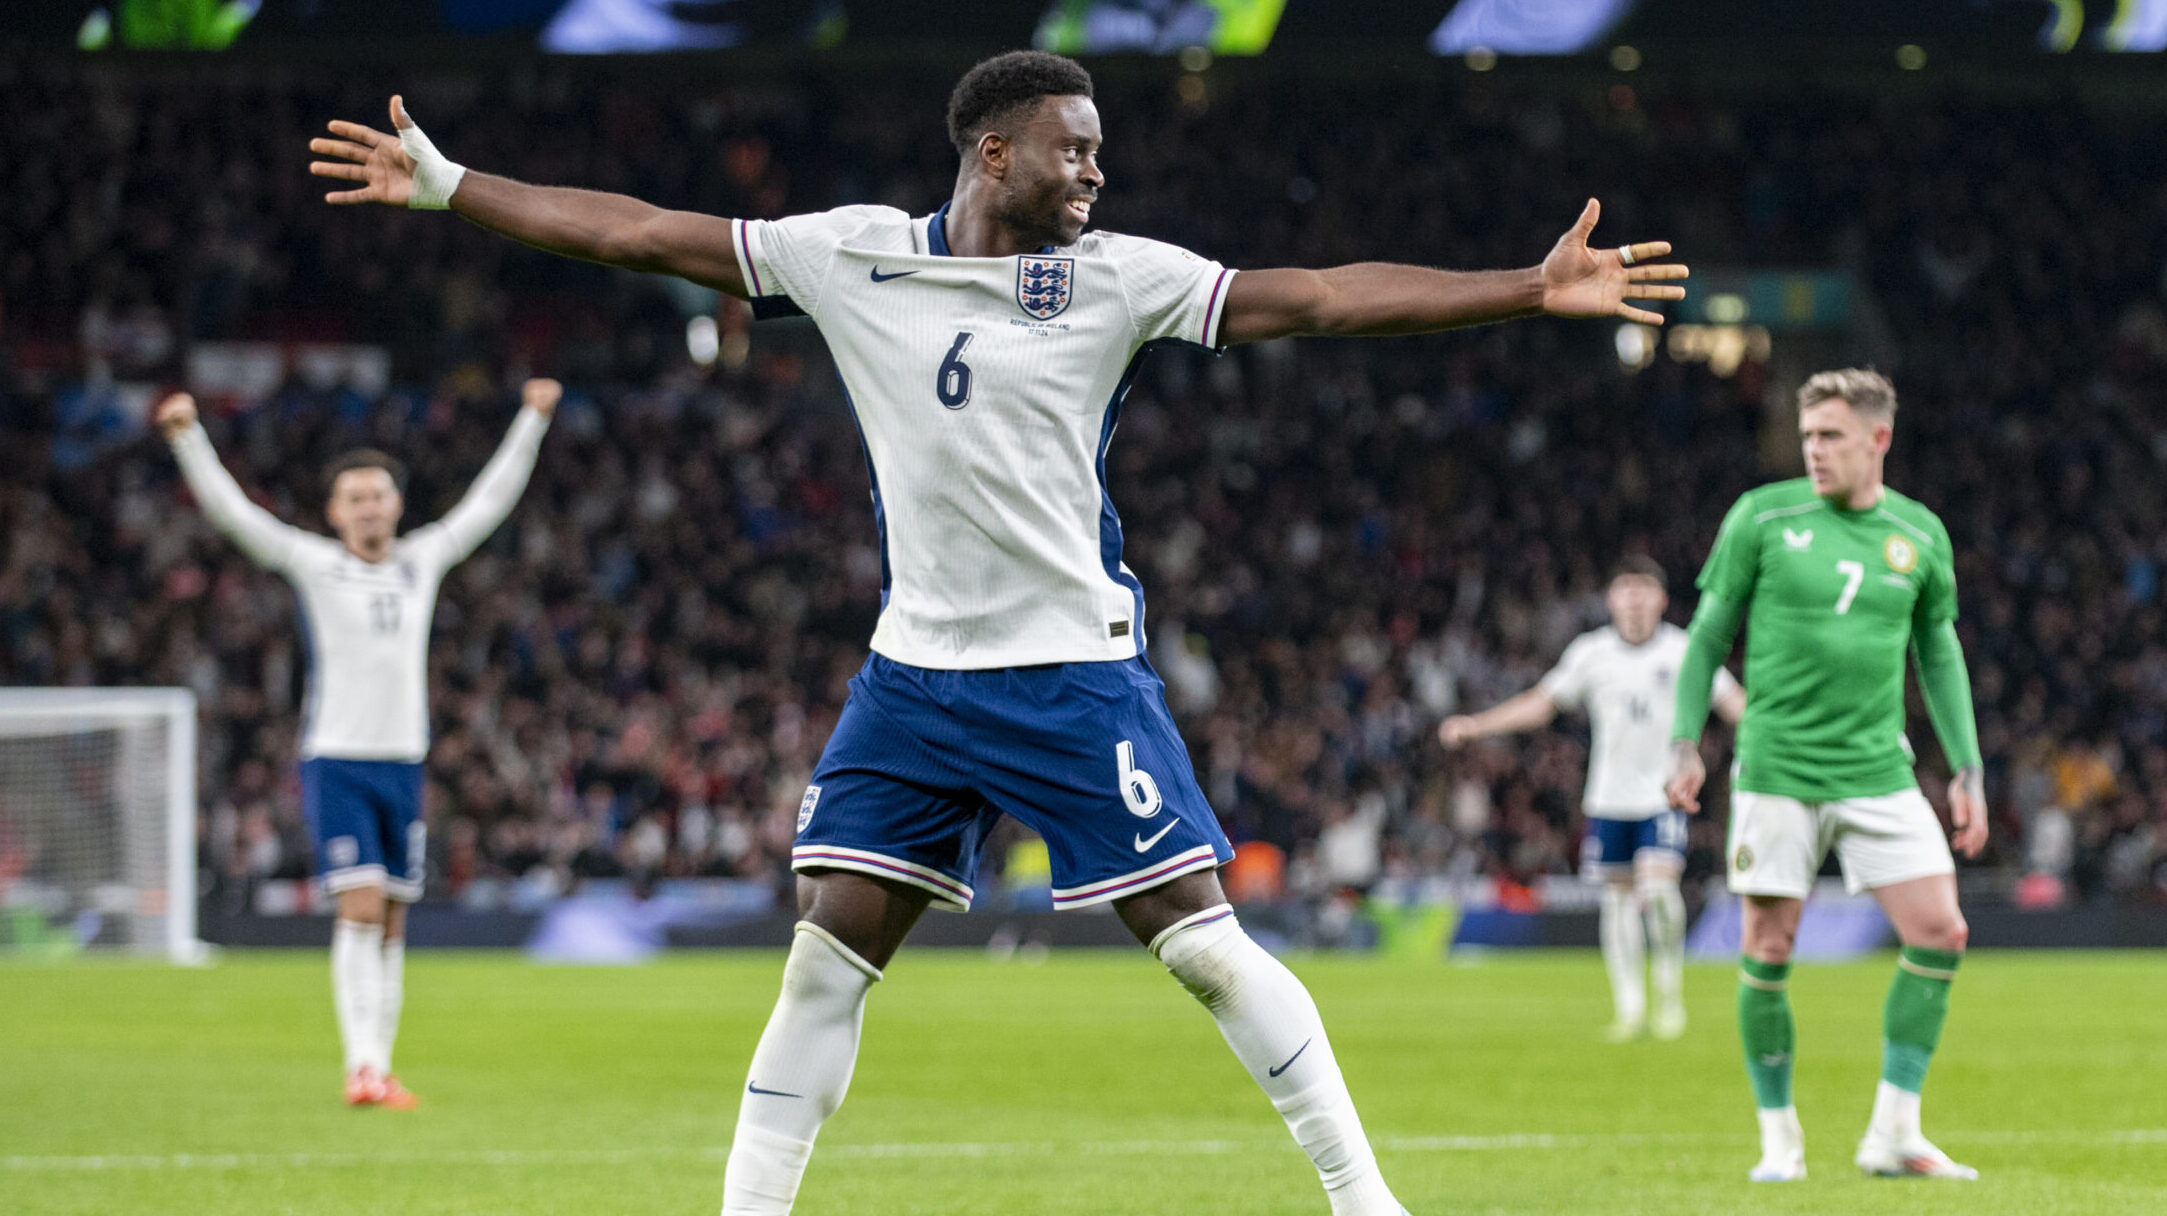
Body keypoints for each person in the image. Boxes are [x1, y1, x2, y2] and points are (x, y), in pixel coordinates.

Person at [306, 50, 1686, 1214]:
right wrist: (447, 184)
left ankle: (1363, 1203)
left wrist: (1518, 285)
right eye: (1071, 152)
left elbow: (1317, 297)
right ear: (992, 150)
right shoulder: (847, 257)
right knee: (821, 956)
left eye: (1096, 154)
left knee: (1203, 948)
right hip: (913, 684)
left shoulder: (1118, 280)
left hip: (1074, 679)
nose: (1093, 173)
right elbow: (638, 232)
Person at [155, 381, 558, 1107]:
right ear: (334, 512)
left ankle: (380, 1064)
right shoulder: (315, 563)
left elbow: (489, 502)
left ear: (396, 504)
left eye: (379, 495)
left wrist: (532, 418)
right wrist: (188, 437)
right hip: (337, 757)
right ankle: (361, 1066)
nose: (369, 507)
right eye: (355, 498)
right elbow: (235, 515)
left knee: (395, 918)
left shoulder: (421, 561)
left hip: (404, 761)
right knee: (362, 908)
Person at [1665, 368, 1987, 1183]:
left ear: (1877, 439)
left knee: (1940, 930)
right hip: (1777, 772)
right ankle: (1780, 1139)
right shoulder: (1762, 517)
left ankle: (1894, 1132)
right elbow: (1704, 638)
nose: (1812, 450)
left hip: (1878, 771)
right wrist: (1682, 742)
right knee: (1768, 946)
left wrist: (1965, 766)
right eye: (1806, 435)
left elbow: (1938, 651)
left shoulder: (1919, 534)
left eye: (1830, 436)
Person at [1439, 557, 1743, 1042]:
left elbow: (1733, 704)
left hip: (1665, 793)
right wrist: (1479, 725)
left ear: (1662, 600)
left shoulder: (1686, 649)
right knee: (1618, 901)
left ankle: (1668, 992)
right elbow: (1543, 702)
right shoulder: (1591, 653)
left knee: (1661, 894)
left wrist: (1781, 737)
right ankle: (1630, 1007)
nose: (1635, 598)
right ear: (1611, 600)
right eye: (1626, 588)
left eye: (1645, 589)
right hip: (1607, 798)